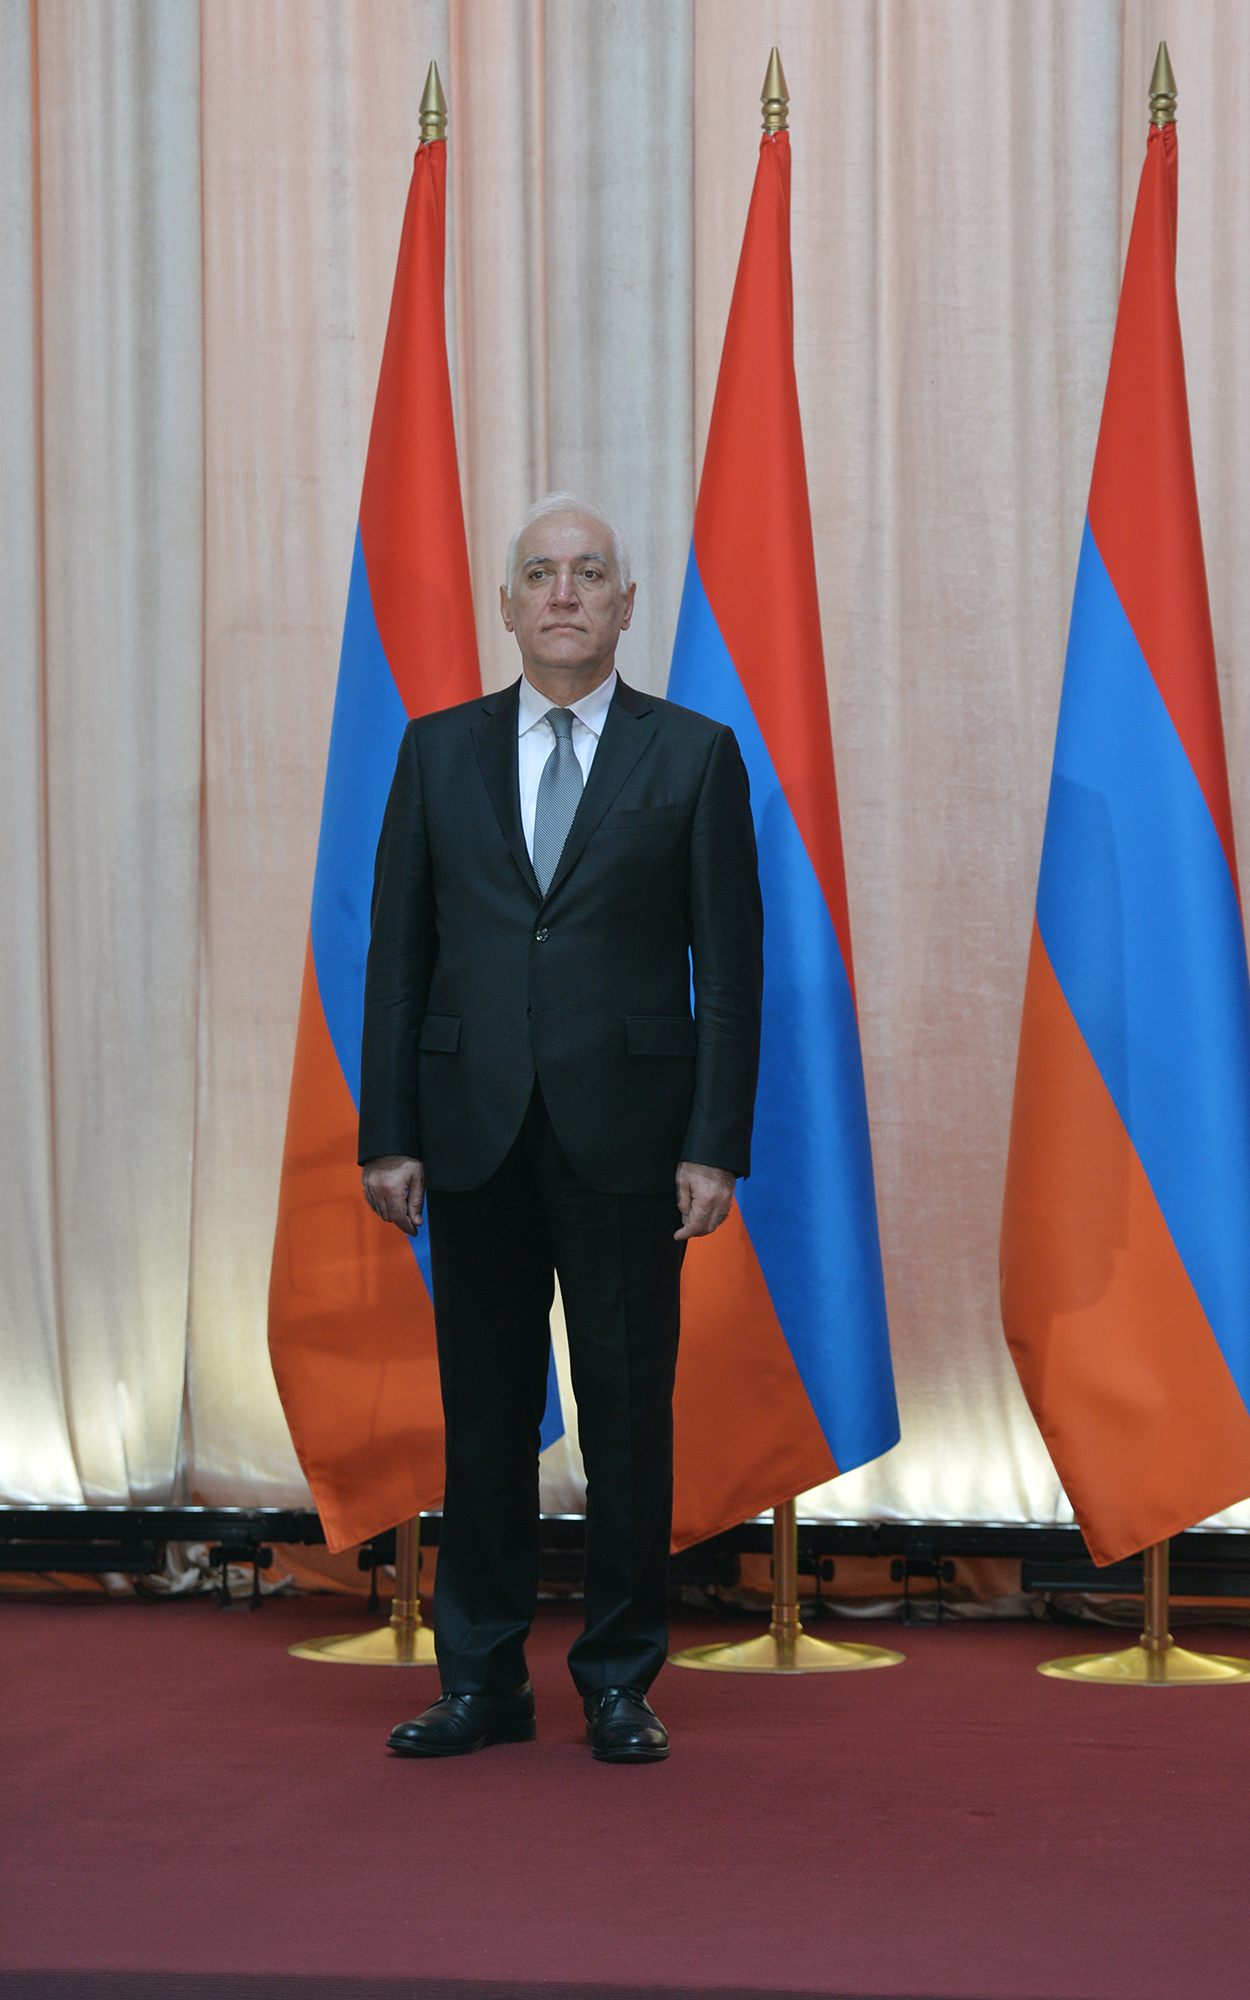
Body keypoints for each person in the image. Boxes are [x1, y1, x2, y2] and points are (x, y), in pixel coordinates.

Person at [359, 494, 763, 1762]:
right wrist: (388, 1130)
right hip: (469, 1133)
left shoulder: (692, 754)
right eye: (540, 573)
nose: (565, 593)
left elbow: (729, 971)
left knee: (627, 1414)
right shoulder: (435, 752)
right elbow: (397, 956)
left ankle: (618, 1679)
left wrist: (714, 1142)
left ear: (626, 604)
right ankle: (480, 1679)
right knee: (481, 1416)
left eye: (590, 573)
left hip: (631, 1141)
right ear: (506, 603)